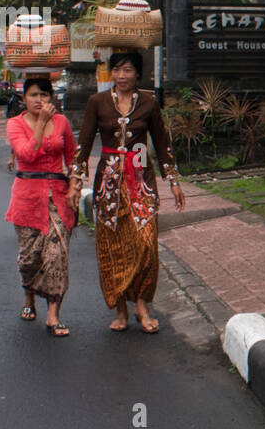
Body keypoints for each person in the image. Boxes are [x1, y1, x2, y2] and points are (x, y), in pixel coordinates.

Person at [67, 51, 184, 333]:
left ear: (137, 73)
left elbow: (162, 142)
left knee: (146, 243)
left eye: (128, 70)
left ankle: (142, 304)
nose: (121, 76)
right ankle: (120, 308)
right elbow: (83, 143)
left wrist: (174, 180)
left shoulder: (148, 103)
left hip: (140, 181)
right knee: (113, 246)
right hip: (108, 185)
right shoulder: (97, 102)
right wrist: (75, 180)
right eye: (117, 70)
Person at [6, 77, 77, 336]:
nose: (39, 100)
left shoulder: (62, 123)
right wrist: (41, 124)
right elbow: (25, 154)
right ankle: (29, 298)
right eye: (34, 95)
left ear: (51, 98)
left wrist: (75, 186)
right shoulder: (14, 124)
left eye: (44, 95)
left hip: (58, 199)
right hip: (26, 201)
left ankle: (53, 315)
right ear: (24, 99)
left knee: (56, 255)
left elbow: (73, 156)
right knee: (29, 259)